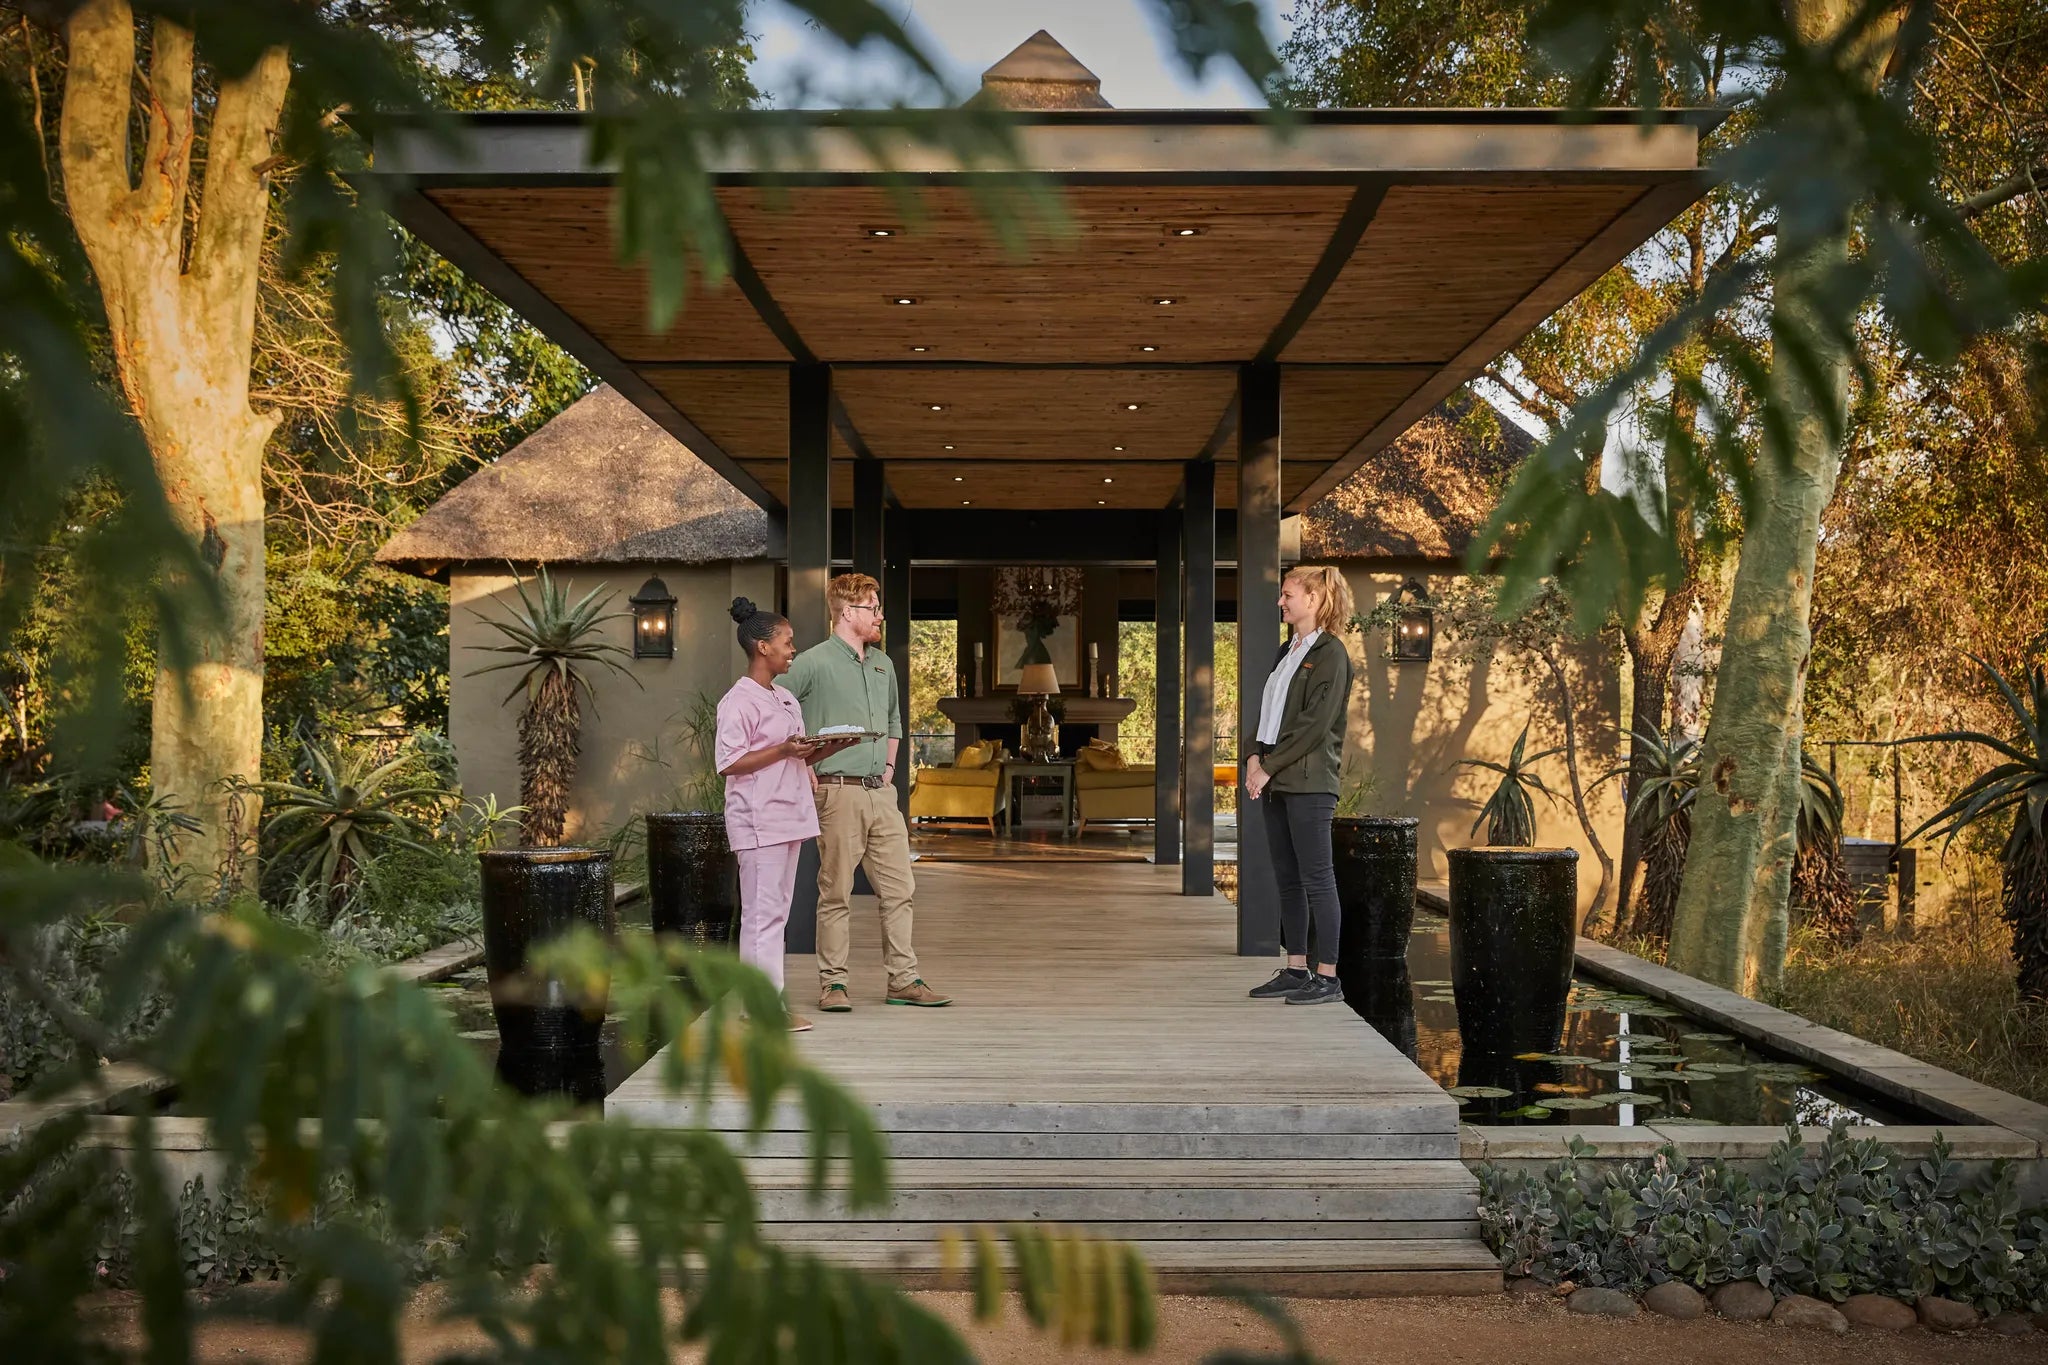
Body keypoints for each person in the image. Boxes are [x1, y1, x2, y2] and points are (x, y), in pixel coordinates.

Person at [784, 573, 951, 1012]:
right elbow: (775, 708)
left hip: (882, 795)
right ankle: (833, 985)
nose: (880, 614)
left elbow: (894, 720)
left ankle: (904, 980)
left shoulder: (883, 664)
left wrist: (892, 769)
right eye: (873, 607)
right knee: (835, 891)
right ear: (847, 612)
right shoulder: (813, 662)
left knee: (900, 889)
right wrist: (801, 764)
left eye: (878, 606)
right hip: (837, 793)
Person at [714, 597, 852, 1032]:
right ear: (762, 647)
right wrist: (784, 749)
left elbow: (793, 758)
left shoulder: (787, 697)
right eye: (788, 643)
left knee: (774, 916)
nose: (794, 649)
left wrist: (827, 749)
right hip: (759, 820)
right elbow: (730, 761)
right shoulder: (737, 702)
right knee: (761, 917)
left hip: (790, 815)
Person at [1244, 565, 1357, 1006]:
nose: (1281, 601)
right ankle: (1296, 968)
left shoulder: (1331, 654)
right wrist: (1254, 756)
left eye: (1288, 595)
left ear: (1313, 599)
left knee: (1317, 878)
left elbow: (1314, 726)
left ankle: (1328, 978)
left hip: (1309, 783)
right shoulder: (1286, 652)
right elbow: (1267, 715)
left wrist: (1267, 767)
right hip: (1276, 776)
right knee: (1287, 879)